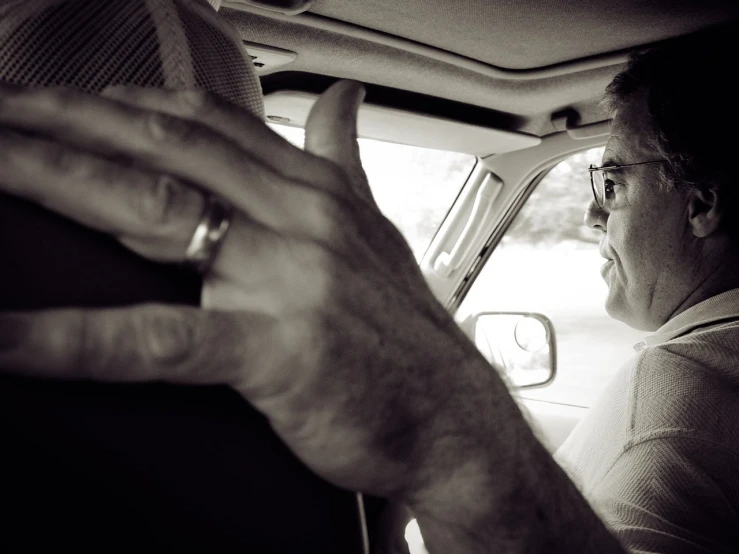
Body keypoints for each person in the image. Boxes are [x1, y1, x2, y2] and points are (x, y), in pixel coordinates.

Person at [1, 8, 738, 554]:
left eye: (609, 180)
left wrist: (453, 440)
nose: (587, 214)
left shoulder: (678, 397)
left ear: (702, 203)